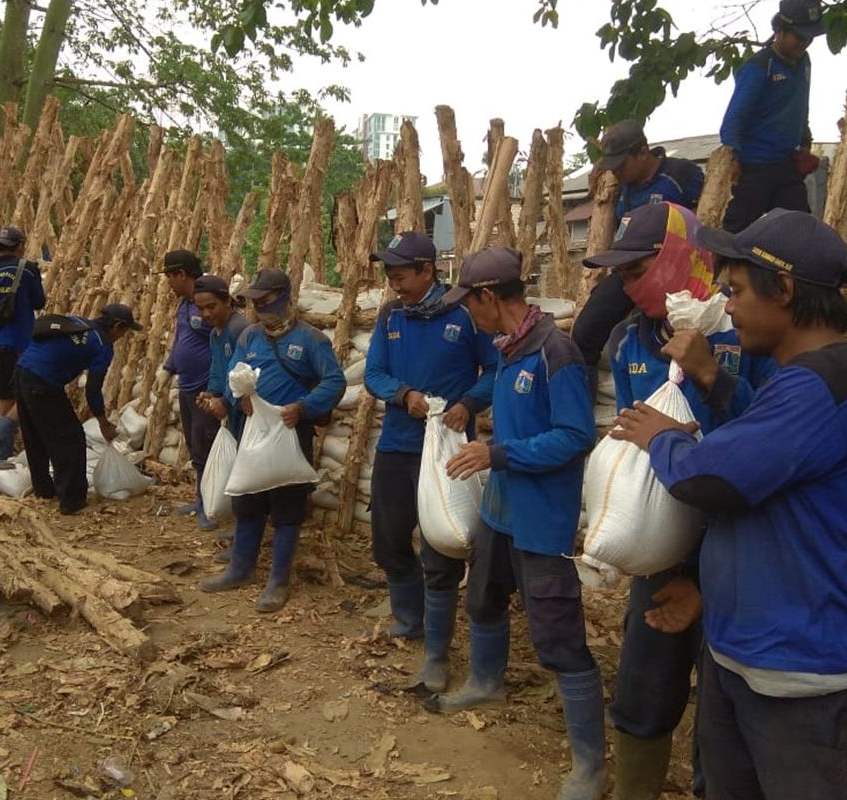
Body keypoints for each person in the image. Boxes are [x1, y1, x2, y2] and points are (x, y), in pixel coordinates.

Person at [611, 209, 847, 799]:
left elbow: (713, 479)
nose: (727, 304)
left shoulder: (822, 385)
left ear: (784, 289)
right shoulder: (801, 381)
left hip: (801, 675)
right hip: (746, 651)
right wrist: (712, 382)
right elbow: (760, 443)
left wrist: (661, 436)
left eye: (736, 290)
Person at [585, 202, 775, 800]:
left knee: (724, 716)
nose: (624, 284)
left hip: (739, 554)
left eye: (636, 269)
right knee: (643, 688)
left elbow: (769, 448)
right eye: (618, 273)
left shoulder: (749, 340)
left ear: (677, 262)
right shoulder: (630, 341)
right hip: (664, 549)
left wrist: (713, 380)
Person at [426, 247, 603, 800]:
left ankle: (590, 765)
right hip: (500, 510)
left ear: (488, 297)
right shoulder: (510, 350)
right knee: (482, 597)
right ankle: (485, 682)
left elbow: (576, 437)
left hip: (540, 519)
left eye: (468, 301)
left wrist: (498, 455)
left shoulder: (556, 353)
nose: (467, 314)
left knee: (558, 637)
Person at [360, 231, 498, 692]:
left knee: (441, 548)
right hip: (399, 443)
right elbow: (374, 372)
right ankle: (409, 616)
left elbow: (496, 370)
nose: (393, 283)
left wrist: (468, 404)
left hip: (448, 449)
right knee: (388, 537)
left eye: (400, 275)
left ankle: (436, 654)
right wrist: (404, 395)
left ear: (427, 270)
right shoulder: (391, 315)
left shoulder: (463, 314)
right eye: (389, 275)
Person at [201, 267, 346, 614]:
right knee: (248, 502)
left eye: (265, 301)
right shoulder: (250, 337)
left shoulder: (311, 339)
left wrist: (303, 407)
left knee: (287, 510)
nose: (260, 309)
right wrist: (241, 399)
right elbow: (236, 375)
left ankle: (279, 580)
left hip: (291, 433)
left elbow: (335, 382)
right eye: (255, 302)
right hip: (254, 431)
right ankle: (240, 569)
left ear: (283, 297)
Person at [573, 120, 705, 400]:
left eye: (621, 164)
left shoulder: (682, 175)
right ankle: (581, 405)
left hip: (676, 272)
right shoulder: (626, 187)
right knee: (586, 330)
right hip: (632, 267)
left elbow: (703, 220)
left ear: (642, 152)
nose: (616, 172)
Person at [15, 304, 140, 514]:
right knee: (70, 439)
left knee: (35, 435)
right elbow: (92, 390)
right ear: (117, 326)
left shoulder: (79, 322)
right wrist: (103, 423)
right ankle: (72, 502)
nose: (122, 336)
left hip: (22, 372)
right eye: (124, 331)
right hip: (44, 382)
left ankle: (44, 491)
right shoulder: (103, 345)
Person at [719, 0, 825, 233]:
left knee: (800, 230)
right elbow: (734, 118)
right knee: (735, 233)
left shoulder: (804, 62)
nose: (805, 43)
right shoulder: (759, 67)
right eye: (799, 36)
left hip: (786, 164)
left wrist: (805, 140)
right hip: (755, 166)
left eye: (809, 37)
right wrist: (734, 158)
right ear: (780, 31)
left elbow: (801, 106)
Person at [0, 225, 46, 466]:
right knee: (23, 397)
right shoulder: (26, 270)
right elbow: (39, 301)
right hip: (21, 344)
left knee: (4, 398)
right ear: (19, 247)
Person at [161, 249, 220, 529]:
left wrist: (216, 387)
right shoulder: (184, 304)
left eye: (169, 277)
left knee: (207, 445)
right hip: (186, 387)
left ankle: (211, 506)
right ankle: (200, 499)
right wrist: (169, 366)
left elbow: (224, 343)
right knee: (196, 447)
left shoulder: (206, 302)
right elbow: (181, 338)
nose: (168, 284)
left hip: (205, 390)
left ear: (181, 274)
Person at [193, 274, 251, 551]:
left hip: (245, 409)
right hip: (232, 409)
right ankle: (241, 526)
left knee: (245, 470)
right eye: (200, 308)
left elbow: (242, 374)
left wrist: (225, 402)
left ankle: (247, 532)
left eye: (211, 306)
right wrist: (211, 393)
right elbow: (219, 370)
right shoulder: (217, 332)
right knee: (237, 467)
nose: (206, 314)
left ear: (228, 301)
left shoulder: (239, 329)